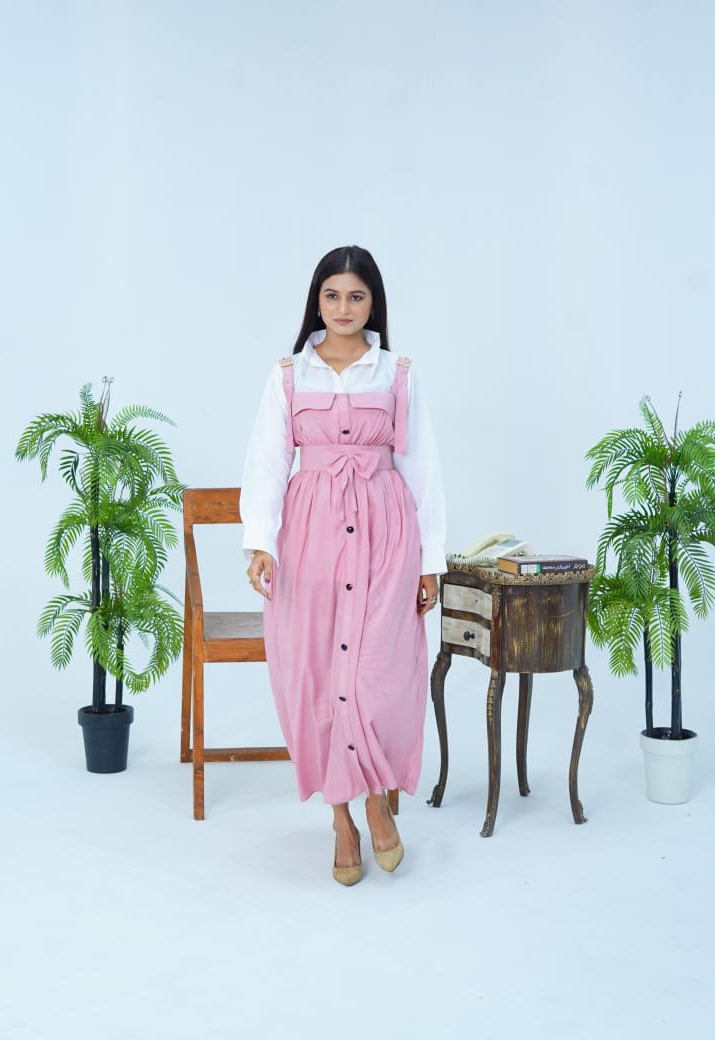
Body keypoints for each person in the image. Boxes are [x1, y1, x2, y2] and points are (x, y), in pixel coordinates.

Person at [241, 245, 446, 885]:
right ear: (317, 301)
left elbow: (423, 469)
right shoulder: (287, 375)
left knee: (380, 673)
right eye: (332, 295)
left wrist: (431, 560)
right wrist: (261, 541)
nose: (343, 308)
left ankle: (379, 799)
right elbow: (267, 463)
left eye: (356, 296)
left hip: (387, 535)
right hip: (311, 538)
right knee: (317, 673)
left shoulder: (396, 374)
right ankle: (341, 818)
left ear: (373, 303)